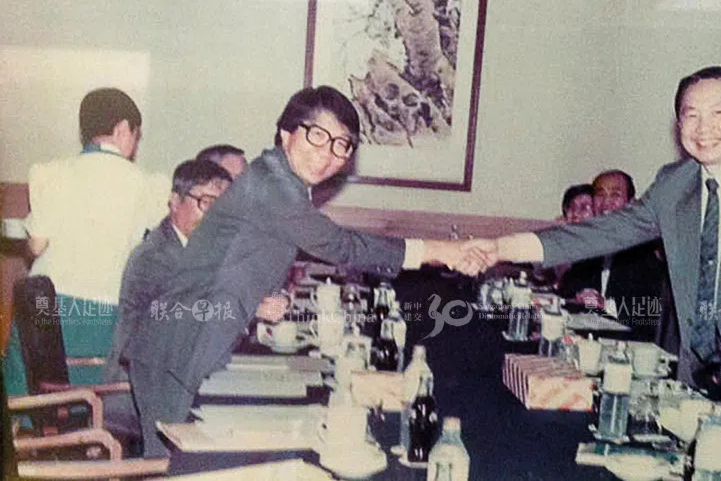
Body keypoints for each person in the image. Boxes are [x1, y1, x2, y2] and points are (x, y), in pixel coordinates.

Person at [461, 66, 721, 432]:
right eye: (691, 115)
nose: (704, 127)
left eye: (718, 113)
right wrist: (499, 247)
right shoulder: (674, 184)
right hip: (701, 378)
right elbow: (602, 232)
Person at [125, 86, 470, 456]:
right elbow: (340, 245)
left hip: (194, 338)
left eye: (341, 144)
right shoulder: (273, 185)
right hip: (175, 348)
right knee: (174, 466)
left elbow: (237, 260)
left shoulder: (280, 180)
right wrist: (440, 251)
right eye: (317, 136)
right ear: (286, 133)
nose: (327, 154)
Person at [3, 88, 169, 395]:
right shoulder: (149, 184)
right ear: (123, 129)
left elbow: (37, 246)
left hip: (45, 306)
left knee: (28, 393)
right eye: (136, 136)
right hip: (106, 315)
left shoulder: (49, 173)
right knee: (95, 402)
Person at [104, 159, 234, 386]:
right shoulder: (155, 257)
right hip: (138, 387)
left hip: (175, 376)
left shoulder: (201, 250)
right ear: (175, 201)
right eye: (206, 202)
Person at [556, 170, 672, 342]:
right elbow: (567, 287)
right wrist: (579, 294)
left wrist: (606, 306)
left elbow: (654, 312)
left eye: (615, 195)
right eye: (600, 194)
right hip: (590, 340)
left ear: (631, 203)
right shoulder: (593, 244)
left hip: (632, 345)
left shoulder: (645, 247)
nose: (606, 202)